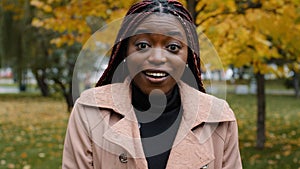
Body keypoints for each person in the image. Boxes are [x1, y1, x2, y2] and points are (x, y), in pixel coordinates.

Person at [62, 0, 242, 168]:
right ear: (125, 51)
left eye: (173, 47)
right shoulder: (89, 111)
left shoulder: (219, 117)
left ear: (189, 56)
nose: (157, 58)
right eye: (142, 45)